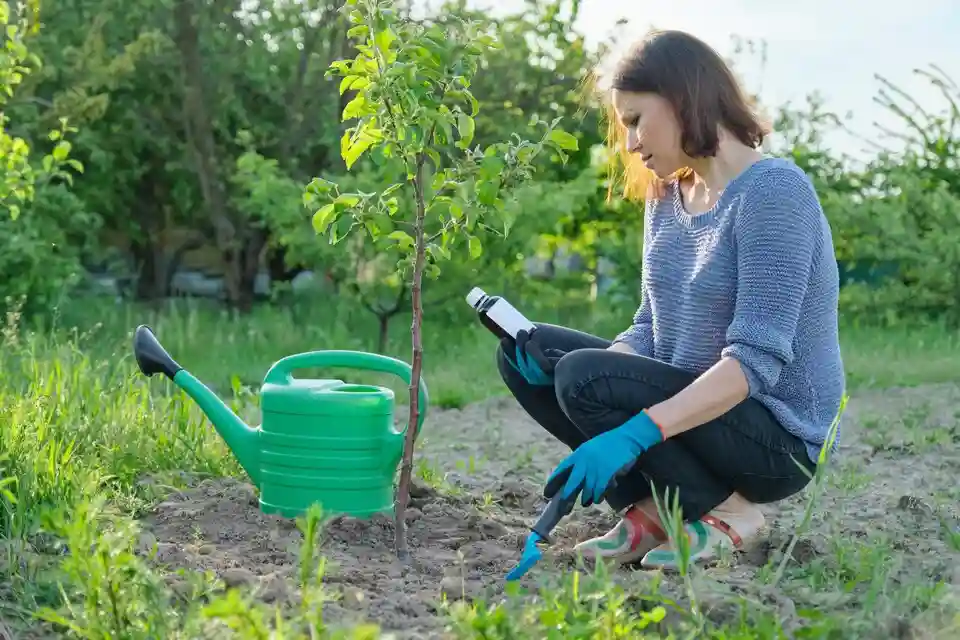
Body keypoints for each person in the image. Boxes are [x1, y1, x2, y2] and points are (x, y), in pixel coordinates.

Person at [496, 29, 846, 571]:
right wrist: (590, 377)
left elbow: (752, 367)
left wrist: (628, 429)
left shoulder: (775, 194)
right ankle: (659, 508)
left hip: (775, 439)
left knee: (583, 377)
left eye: (635, 120)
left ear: (682, 97)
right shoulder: (666, 198)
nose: (631, 144)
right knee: (534, 356)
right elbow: (649, 329)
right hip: (698, 414)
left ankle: (734, 514)